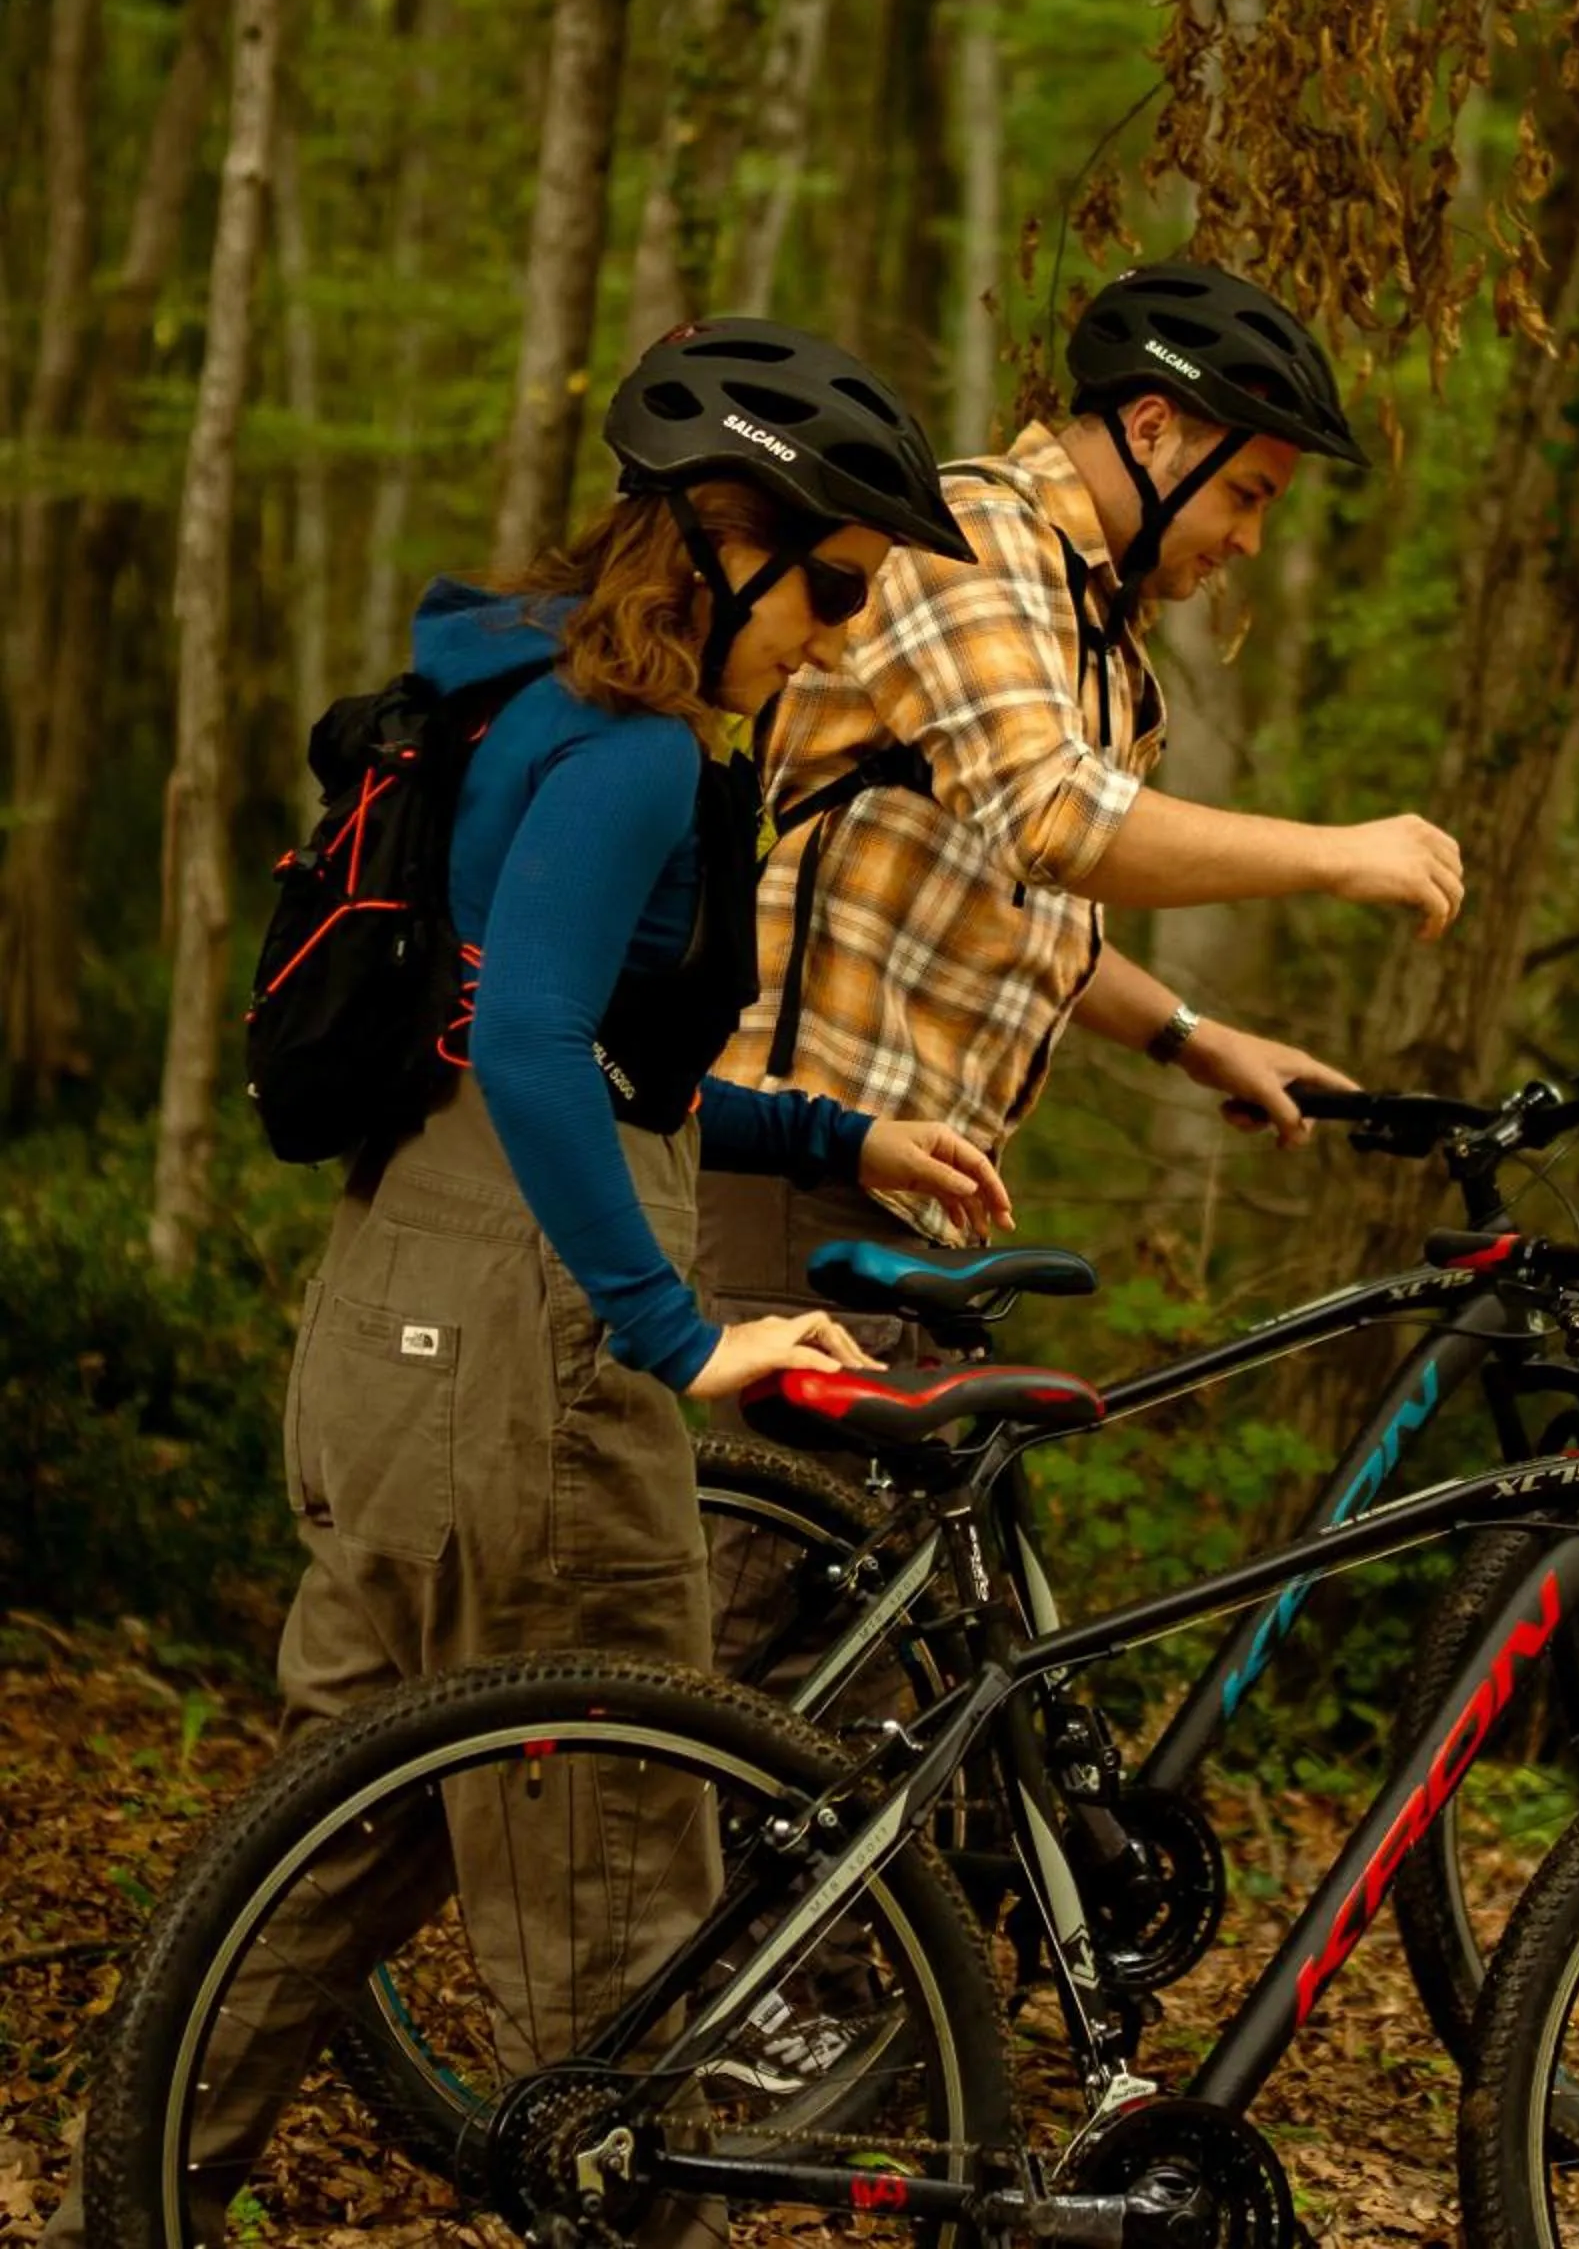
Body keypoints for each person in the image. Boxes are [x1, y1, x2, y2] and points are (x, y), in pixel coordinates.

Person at [46, 320, 1011, 2248]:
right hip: (532, 1359)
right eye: (825, 586)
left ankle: (123, 2206)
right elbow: (539, 1047)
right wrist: (679, 1331)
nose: (833, 633)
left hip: (398, 1315)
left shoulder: (511, 711)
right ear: (725, 540)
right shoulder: (640, 752)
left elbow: (544, 1052)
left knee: (346, 1831)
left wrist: (831, 1142)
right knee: (615, 1914)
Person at [698, 259, 1464, 1422]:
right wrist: (1337, 853)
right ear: (1153, 430)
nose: (1250, 541)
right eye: (1248, 494)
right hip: (797, 1168)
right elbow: (1055, 822)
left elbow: (1013, 897)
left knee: (891, 1587)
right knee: (768, 1592)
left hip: (895, 1196)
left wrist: (1196, 1039)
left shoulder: (1088, 618)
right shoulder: (963, 540)